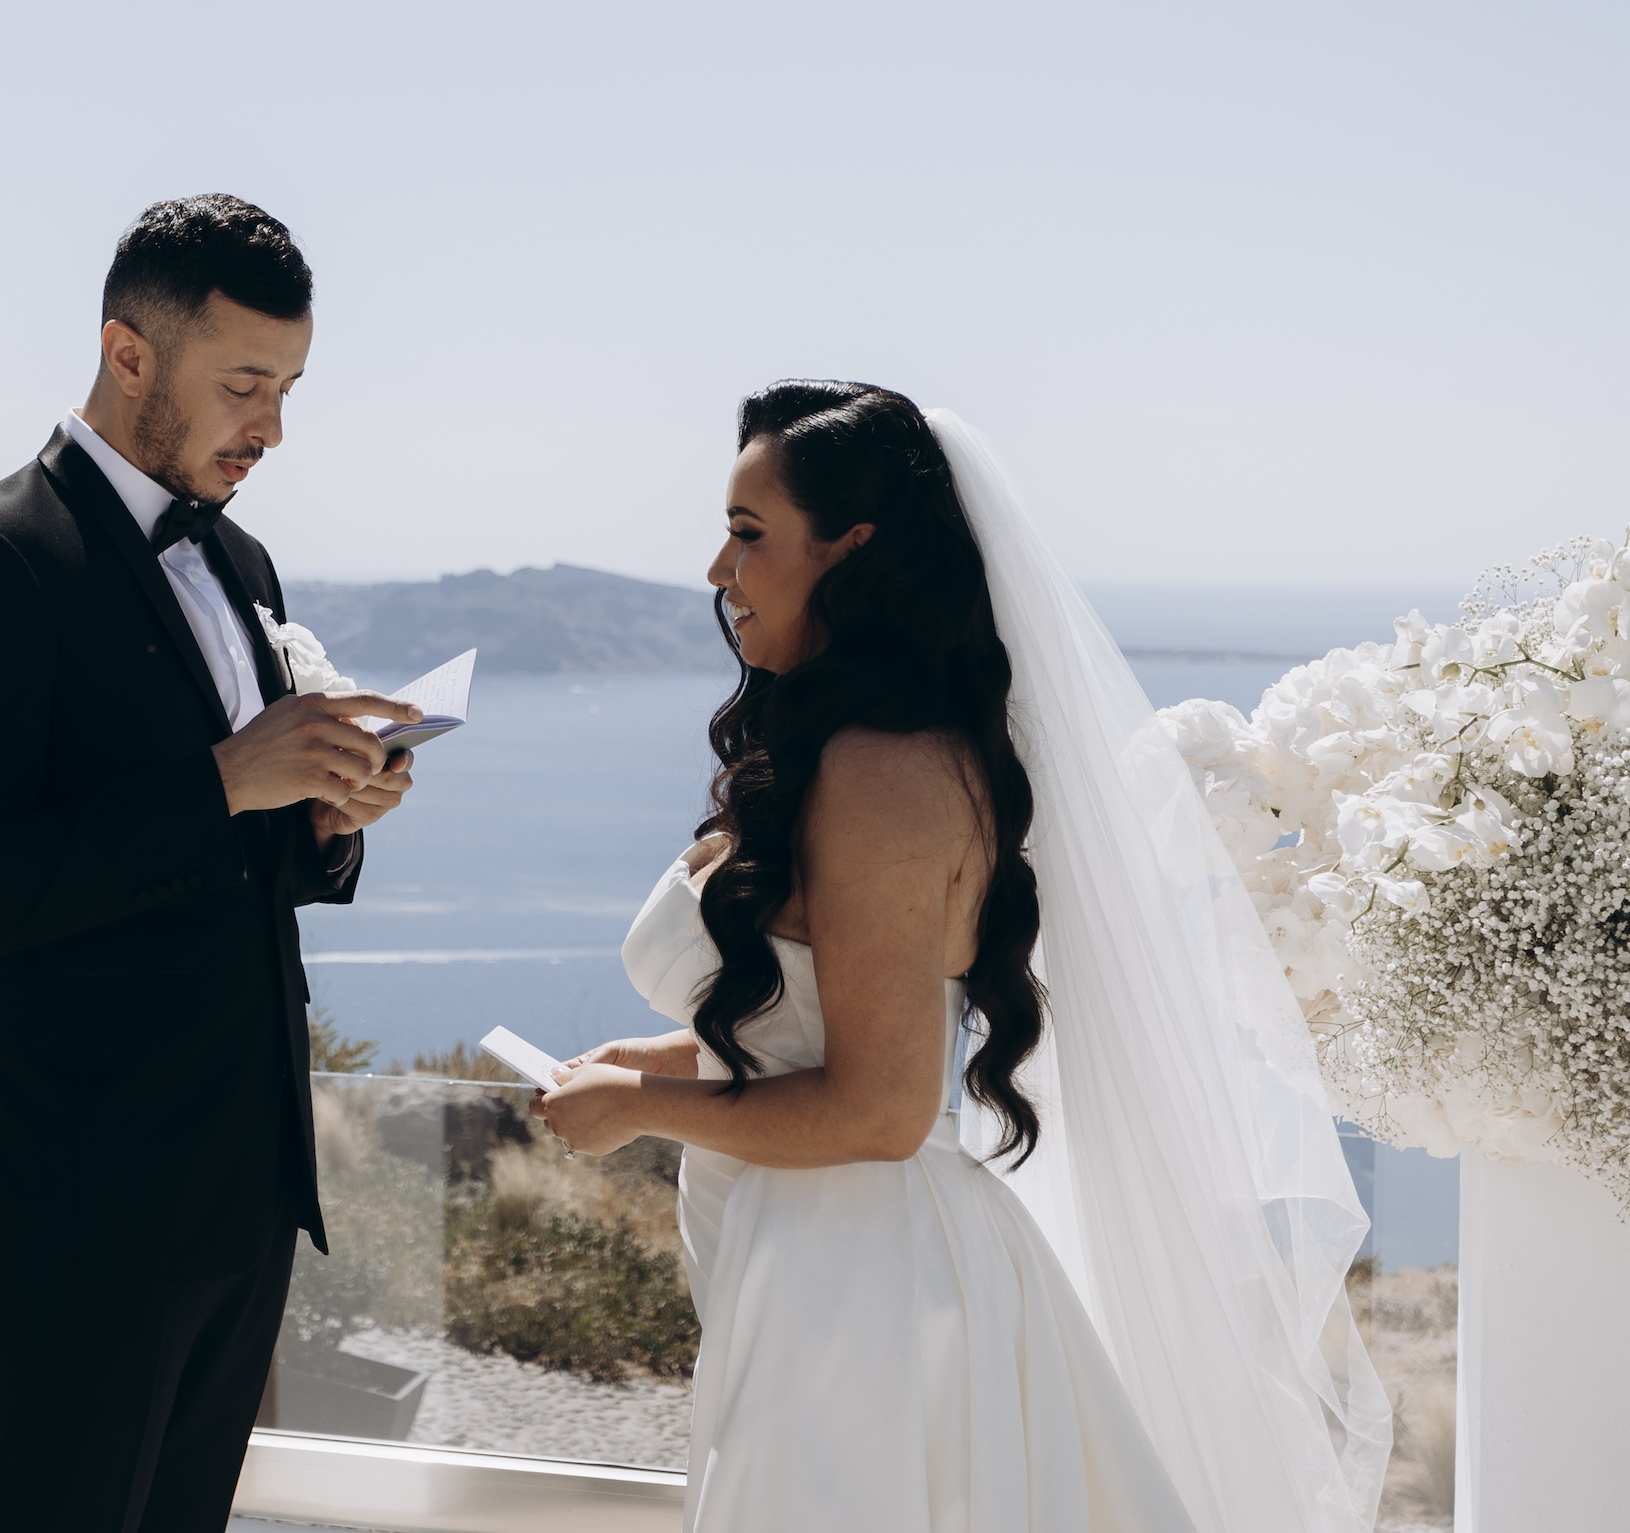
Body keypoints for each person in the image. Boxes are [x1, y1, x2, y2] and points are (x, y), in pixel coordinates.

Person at [539, 383, 1390, 1532]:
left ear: (853, 553)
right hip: (807, 1254)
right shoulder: (861, 750)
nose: (715, 573)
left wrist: (641, 1104)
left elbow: (882, 1111)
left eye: (747, 537)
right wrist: (668, 1060)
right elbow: (827, 1025)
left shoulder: (882, 775)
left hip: (857, 1285)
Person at [0, 195, 421, 1533]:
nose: (272, 427)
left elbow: (214, 868)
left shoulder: (240, 559)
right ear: (129, 356)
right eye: (244, 385)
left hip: (242, 1200)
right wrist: (229, 778)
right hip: (76, 1218)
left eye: (287, 388)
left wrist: (323, 825)